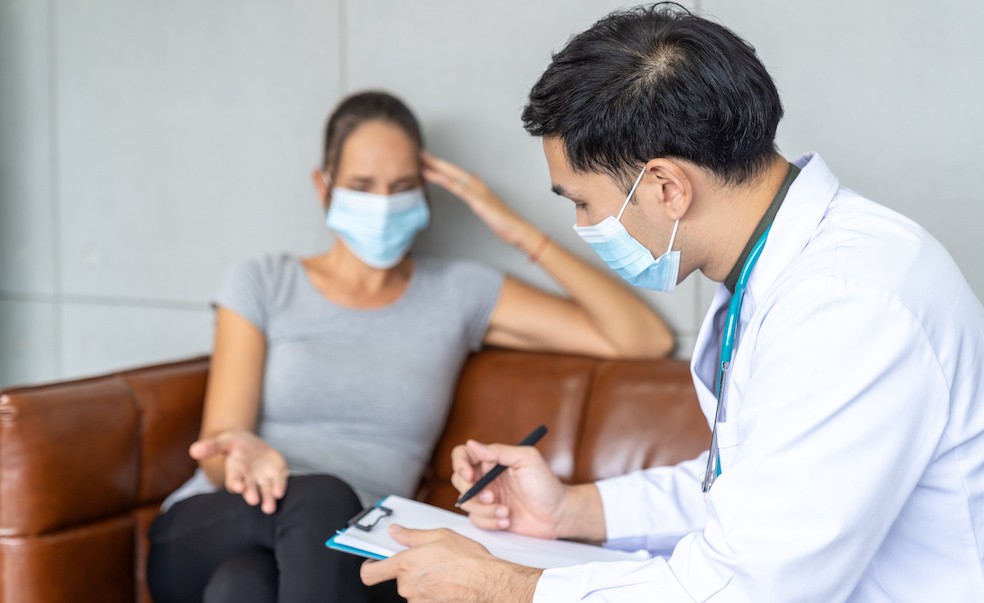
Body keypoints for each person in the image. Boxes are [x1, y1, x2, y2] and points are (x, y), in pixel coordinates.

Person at [359, 3, 984, 601]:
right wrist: (570, 510)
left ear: (667, 186)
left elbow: (749, 586)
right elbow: (748, 490)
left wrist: (504, 585)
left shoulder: (847, 303)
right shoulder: (779, 268)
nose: (583, 226)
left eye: (582, 202)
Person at [144, 90, 674, 603]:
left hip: (359, 549)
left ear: (424, 192)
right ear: (323, 187)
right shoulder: (264, 281)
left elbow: (640, 337)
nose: (382, 204)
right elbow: (218, 448)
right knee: (321, 499)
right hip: (217, 521)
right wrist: (243, 454)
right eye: (362, 185)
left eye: (400, 186)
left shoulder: (458, 293)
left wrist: (510, 226)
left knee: (245, 587)